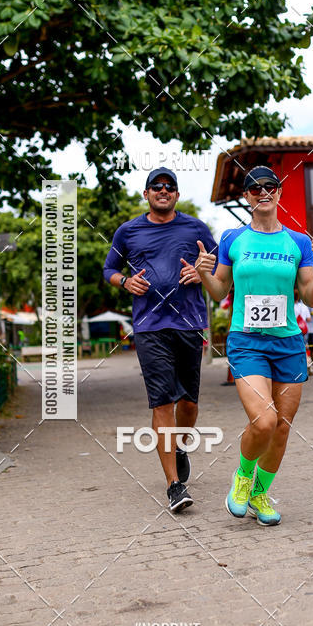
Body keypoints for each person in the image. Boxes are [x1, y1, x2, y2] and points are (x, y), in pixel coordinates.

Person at [182, 165, 313, 526]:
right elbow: (219, 290)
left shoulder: (297, 242)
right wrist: (204, 272)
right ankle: (243, 478)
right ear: (247, 197)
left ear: (279, 192)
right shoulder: (233, 239)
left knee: (282, 426)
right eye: (254, 188)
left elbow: (311, 298)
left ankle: (261, 494)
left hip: (289, 345)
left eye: (270, 186)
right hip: (247, 343)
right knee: (263, 421)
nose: (262, 192)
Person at [103, 167, 217, 512]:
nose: (163, 190)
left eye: (169, 187)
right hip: (150, 326)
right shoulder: (128, 231)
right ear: (147, 193)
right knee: (162, 402)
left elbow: (216, 264)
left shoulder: (195, 227)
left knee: (190, 404)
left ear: (177, 195)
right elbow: (109, 269)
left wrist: (201, 269)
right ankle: (174, 485)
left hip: (189, 323)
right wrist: (124, 282)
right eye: (156, 186)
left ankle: (180, 445)